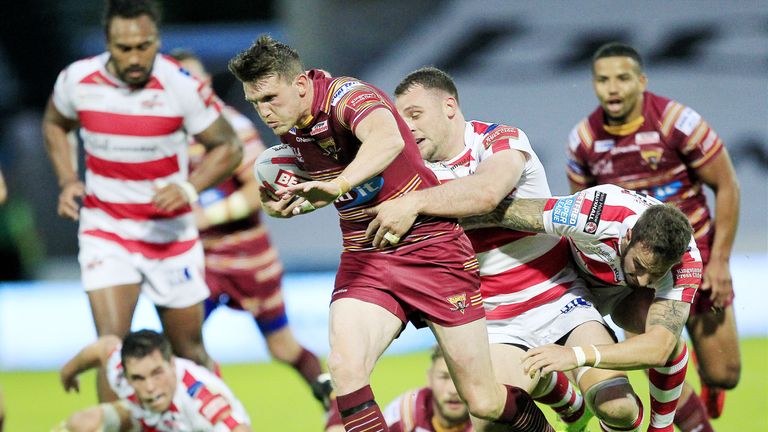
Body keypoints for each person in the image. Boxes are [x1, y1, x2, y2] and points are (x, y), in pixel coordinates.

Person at [228, 35, 554, 432]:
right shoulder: (292, 126)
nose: (264, 112)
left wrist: (338, 185)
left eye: (270, 99)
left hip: (432, 248)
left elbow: (387, 139)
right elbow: (333, 187)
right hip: (366, 255)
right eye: (255, 103)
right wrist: (286, 204)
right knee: (346, 369)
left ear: (299, 85)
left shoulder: (347, 96)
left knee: (483, 400)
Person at [366, 67, 643, 432]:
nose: (409, 127)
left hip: (560, 299)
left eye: (415, 114)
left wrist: (415, 203)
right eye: (401, 120)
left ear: (449, 106)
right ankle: (560, 394)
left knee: (618, 407)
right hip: (493, 319)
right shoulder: (410, 171)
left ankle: (573, 398)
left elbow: (486, 193)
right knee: (488, 417)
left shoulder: (499, 139)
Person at [41, 0, 243, 402]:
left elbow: (228, 147)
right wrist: (67, 179)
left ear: (157, 41)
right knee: (112, 350)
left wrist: (188, 189)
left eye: (144, 46)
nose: (135, 57)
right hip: (107, 228)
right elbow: (54, 122)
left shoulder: (181, 84)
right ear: (107, 43)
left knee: (187, 351)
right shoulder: (77, 80)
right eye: (124, 48)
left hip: (169, 235)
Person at [566, 42, 740, 425]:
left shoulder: (679, 122)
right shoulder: (584, 140)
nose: (612, 88)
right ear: (593, 84)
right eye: (603, 79)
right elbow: (581, 213)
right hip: (638, 269)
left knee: (724, 373)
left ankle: (704, 376)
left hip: (697, 258)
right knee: (654, 354)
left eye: (623, 78)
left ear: (641, 81)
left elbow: (727, 185)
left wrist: (721, 262)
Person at [169, 48, 336, 418]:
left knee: (282, 346)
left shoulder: (230, 128)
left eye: (195, 80)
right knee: (183, 343)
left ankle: (334, 403)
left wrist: (205, 217)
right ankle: (216, 417)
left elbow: (256, 191)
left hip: (248, 259)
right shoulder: (165, 136)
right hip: (200, 263)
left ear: (206, 84)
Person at [462, 184, 703, 432]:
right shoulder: (594, 212)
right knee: (490, 422)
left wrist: (575, 356)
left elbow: (659, 349)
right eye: (639, 266)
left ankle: (662, 427)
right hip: (566, 284)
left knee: (662, 338)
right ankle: (564, 395)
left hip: (617, 298)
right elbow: (498, 212)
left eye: (656, 273)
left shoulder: (686, 262)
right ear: (629, 235)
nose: (643, 280)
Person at [56, 330, 251, 431]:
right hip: (146, 420)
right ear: (126, 373)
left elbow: (238, 428)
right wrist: (68, 372)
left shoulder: (201, 400)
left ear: (172, 365)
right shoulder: (119, 370)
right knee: (82, 423)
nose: (150, 387)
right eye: (138, 378)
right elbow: (103, 347)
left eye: (157, 373)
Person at [383, 345, 472, 432]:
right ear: (430, 378)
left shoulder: (485, 422)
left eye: (463, 378)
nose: (453, 390)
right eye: (444, 377)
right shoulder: (401, 416)